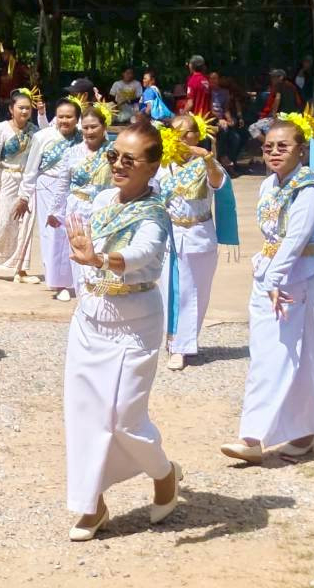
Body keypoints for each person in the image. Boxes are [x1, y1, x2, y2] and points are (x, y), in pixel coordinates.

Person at [63, 116, 182, 542]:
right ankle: (91, 504)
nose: (118, 164)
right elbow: (84, 251)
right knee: (84, 414)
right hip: (90, 319)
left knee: (125, 418)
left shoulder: (155, 214)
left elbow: (142, 252)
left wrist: (100, 259)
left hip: (135, 323)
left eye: (129, 160)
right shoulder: (101, 200)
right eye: (115, 156)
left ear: (153, 166)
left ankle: (164, 473)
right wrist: (87, 263)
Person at [220, 113, 314, 465]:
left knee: (292, 355)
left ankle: (257, 437)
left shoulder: (309, 189)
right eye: (268, 147)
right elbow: (272, 238)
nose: (274, 152)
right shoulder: (269, 185)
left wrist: (274, 279)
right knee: (273, 353)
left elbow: (295, 241)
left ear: (301, 151)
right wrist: (266, 275)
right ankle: (292, 433)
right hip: (271, 275)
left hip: (301, 278)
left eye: (283, 146)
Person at [157, 114, 231, 371]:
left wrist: (207, 158)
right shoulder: (162, 165)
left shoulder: (205, 163)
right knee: (171, 289)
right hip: (170, 234)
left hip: (198, 235)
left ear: (197, 135)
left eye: (186, 132)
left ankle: (185, 342)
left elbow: (218, 184)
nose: (180, 137)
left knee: (195, 292)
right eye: (175, 132)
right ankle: (174, 342)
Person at [15, 98, 82, 301]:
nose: (64, 121)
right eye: (61, 116)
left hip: (74, 189)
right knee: (53, 235)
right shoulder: (43, 137)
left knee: (75, 233)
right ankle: (58, 283)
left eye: (69, 117)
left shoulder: (82, 137)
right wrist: (24, 196)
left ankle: (78, 280)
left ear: (77, 118)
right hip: (47, 188)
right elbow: (31, 168)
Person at [51, 101, 115, 297]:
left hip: (105, 211)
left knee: (101, 253)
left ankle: (101, 296)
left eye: (94, 127)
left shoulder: (114, 152)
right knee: (79, 254)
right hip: (77, 210)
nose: (89, 132)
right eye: (85, 128)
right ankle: (82, 297)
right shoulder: (72, 152)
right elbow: (62, 184)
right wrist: (55, 211)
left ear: (104, 127)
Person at [0, 90, 41, 283]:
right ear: (12, 109)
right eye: (21, 108)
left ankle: (21, 271)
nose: (25, 111)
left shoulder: (34, 131)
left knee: (25, 224)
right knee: (2, 222)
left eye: (28, 108)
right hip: (4, 179)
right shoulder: (1, 129)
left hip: (26, 180)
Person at [208, 70, 244, 171]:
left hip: (222, 118)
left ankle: (231, 161)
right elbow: (209, 109)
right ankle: (222, 157)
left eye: (216, 78)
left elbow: (226, 109)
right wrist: (220, 119)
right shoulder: (207, 92)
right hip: (212, 118)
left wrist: (229, 119)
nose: (214, 81)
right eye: (211, 79)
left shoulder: (224, 92)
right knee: (224, 130)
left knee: (236, 137)